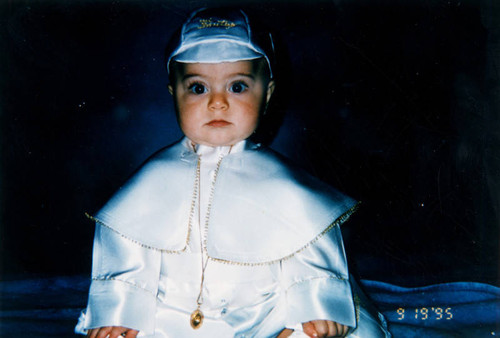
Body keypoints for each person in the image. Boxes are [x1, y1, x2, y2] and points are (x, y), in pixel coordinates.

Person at [75, 7, 390, 338]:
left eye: (237, 87)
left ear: (266, 94)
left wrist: (315, 309)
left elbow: (309, 253)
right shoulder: (152, 179)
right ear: (174, 95)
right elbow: (128, 255)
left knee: (340, 330)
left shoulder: (283, 184)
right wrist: (121, 310)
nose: (217, 103)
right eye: (198, 88)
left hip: (267, 313)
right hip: (174, 312)